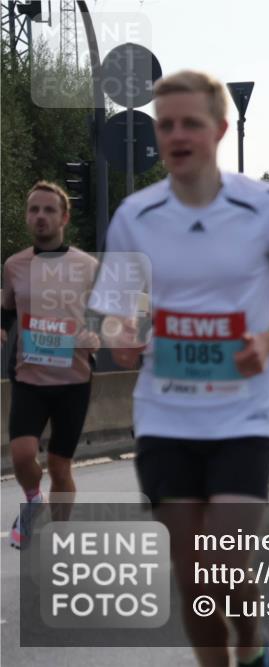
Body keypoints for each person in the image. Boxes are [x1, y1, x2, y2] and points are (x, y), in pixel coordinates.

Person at [88, 70, 269, 667]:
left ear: (220, 129)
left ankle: (249, 642)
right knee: (194, 577)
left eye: (190, 122)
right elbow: (118, 316)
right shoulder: (132, 216)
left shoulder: (265, 205)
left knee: (224, 557)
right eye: (165, 124)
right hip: (165, 415)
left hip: (242, 413)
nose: (176, 135)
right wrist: (121, 338)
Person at [2, 181, 100, 549]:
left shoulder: (87, 266)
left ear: (64, 217)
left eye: (48, 210)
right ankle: (32, 501)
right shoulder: (14, 265)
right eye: (34, 210)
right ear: (28, 217)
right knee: (23, 454)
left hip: (74, 379)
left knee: (60, 467)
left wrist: (94, 336)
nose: (40, 216)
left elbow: (112, 316)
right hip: (29, 375)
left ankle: (59, 538)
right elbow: (8, 309)